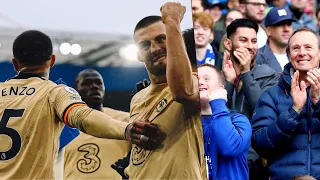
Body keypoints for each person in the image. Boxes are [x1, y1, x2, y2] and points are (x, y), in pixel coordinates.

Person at [0, 30, 164, 179]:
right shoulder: (54, 93)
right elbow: (82, 116)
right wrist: (126, 129)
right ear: (52, 61)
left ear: (15, 64)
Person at [124, 2, 206, 179]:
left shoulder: (196, 83)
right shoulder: (137, 99)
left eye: (162, 38)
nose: (154, 48)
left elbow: (181, 91)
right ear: (138, 55)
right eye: (145, 44)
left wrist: (173, 21)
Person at [251, 27, 320, 179]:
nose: (302, 53)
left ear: (319, 54)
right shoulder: (271, 95)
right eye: (296, 48)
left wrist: (318, 103)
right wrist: (294, 111)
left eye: (308, 47)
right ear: (289, 56)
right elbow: (260, 144)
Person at [222, 18, 278, 179]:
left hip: (255, 161)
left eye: (254, 41)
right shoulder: (222, 75)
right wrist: (230, 82)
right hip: (225, 158)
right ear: (228, 44)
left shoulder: (269, 75)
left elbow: (262, 109)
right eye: (243, 40)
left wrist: (245, 73)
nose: (250, 46)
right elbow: (217, 115)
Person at [63, 69, 131, 179]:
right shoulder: (62, 126)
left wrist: (147, 109)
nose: (94, 86)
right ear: (75, 89)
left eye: (98, 82)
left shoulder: (125, 120)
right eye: (87, 83)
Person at [198, 63, 251, 180]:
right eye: (196, 78)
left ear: (221, 88)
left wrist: (217, 102)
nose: (200, 82)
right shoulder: (187, 124)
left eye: (206, 78)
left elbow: (229, 148)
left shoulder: (239, 120)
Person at [256, 6, 293, 73]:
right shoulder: (257, 57)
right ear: (268, 31)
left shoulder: (296, 54)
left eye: (289, 24)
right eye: (280, 24)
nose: (286, 29)